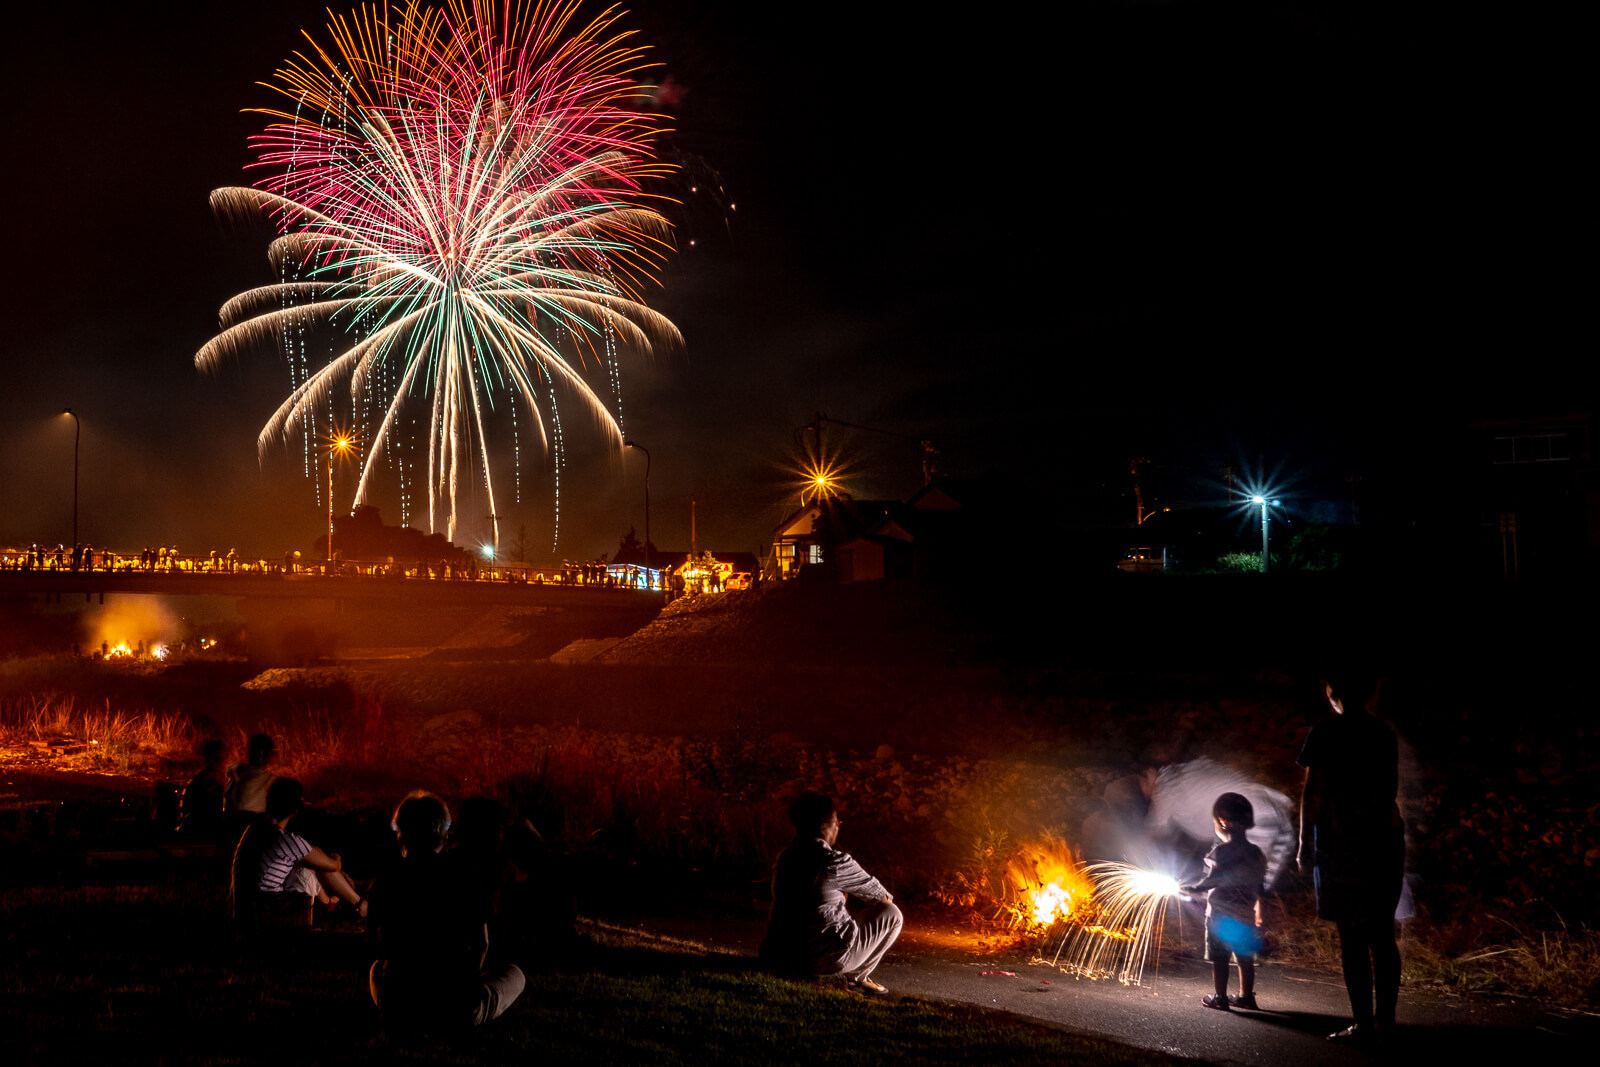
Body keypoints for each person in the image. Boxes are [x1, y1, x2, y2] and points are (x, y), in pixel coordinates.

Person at [1297, 676, 1405, 1043]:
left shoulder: (1325, 732)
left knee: (1352, 937)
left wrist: (1304, 844)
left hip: (1340, 840)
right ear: (1371, 693)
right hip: (1384, 838)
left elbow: (1311, 792)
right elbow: (1388, 788)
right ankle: (1385, 1022)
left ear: (1335, 697)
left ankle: (1363, 1023)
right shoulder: (1383, 732)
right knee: (1381, 933)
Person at [368, 791, 525, 1033]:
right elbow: (482, 943)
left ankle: (405, 1010)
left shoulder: (384, 879)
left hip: (399, 1003)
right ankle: (457, 1009)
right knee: (515, 975)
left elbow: (375, 945)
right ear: (444, 833)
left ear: (400, 833)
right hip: (455, 1005)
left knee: (377, 969)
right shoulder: (465, 876)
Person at [759, 793, 902, 994]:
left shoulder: (786, 857)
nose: (838, 827)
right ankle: (858, 978)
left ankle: (851, 974)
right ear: (826, 825)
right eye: (837, 821)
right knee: (892, 914)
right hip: (821, 958)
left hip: (779, 953)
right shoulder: (834, 862)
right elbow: (883, 898)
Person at [230, 777, 366, 932]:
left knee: (306, 867)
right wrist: (336, 858)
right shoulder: (284, 840)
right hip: (264, 914)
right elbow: (333, 865)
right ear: (296, 809)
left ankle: (343, 906)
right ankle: (359, 906)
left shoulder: (253, 829)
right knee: (310, 870)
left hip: (243, 911)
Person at [1182, 792, 1267, 1011]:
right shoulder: (1257, 853)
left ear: (1222, 820)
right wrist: (1260, 914)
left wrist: (1193, 888)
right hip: (1245, 914)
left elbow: (1214, 880)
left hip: (1220, 915)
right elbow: (1259, 887)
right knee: (1244, 957)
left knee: (1220, 958)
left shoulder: (1221, 852)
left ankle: (1220, 997)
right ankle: (1246, 996)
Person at [179, 739, 228, 837]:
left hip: (197, 831)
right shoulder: (201, 784)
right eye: (218, 759)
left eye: (222, 758)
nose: (222, 762)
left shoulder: (194, 782)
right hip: (208, 833)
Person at [225, 733, 277, 818]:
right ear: (262, 754)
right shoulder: (268, 780)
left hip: (230, 824)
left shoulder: (234, 773)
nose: (274, 755)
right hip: (252, 827)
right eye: (272, 752)